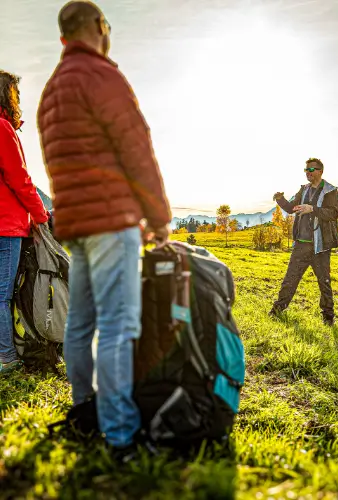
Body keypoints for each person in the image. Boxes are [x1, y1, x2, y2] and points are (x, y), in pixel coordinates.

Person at [37, 1, 171, 458]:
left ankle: (86, 412)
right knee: (118, 325)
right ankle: (121, 433)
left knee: (81, 324)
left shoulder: (52, 89)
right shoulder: (102, 76)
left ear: (62, 39)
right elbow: (137, 147)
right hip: (111, 221)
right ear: (99, 27)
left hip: (74, 224)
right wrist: (158, 215)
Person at [0, 70, 49, 373]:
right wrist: (42, 215)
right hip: (6, 226)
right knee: (3, 295)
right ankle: (7, 358)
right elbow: (19, 179)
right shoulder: (2, 129)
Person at [270, 158, 338, 326]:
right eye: (306, 169)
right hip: (301, 244)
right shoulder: (303, 190)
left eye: (311, 169)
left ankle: (328, 316)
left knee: (324, 281)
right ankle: (278, 310)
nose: (307, 172)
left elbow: (333, 213)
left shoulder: (330, 191)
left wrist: (312, 209)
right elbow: (291, 208)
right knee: (290, 279)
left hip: (320, 246)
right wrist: (281, 199)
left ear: (320, 171)